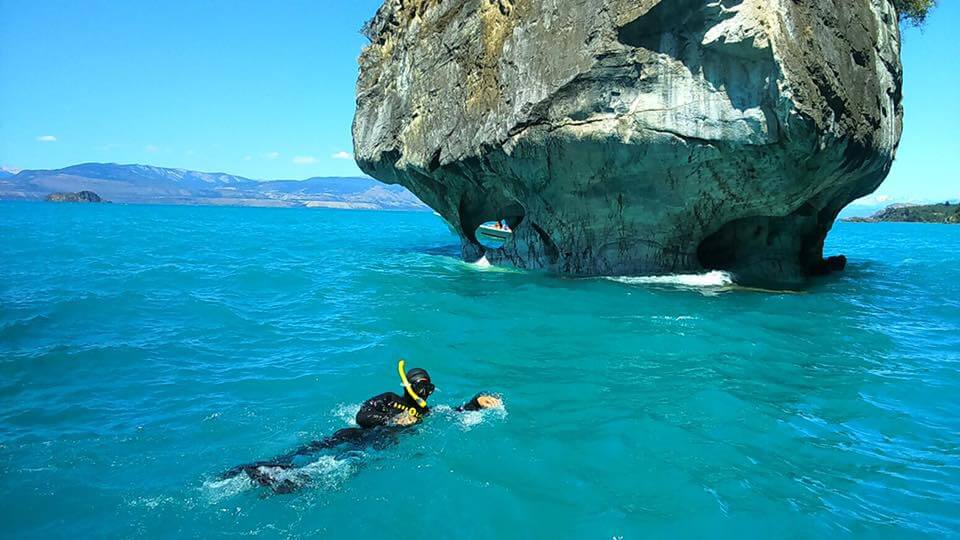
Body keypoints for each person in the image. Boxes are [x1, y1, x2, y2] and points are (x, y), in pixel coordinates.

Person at [222, 361, 502, 493]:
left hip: (374, 446)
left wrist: (475, 402)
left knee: (341, 465)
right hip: (358, 433)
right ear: (408, 386)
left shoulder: (426, 413)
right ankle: (261, 468)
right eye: (420, 386)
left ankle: (290, 480)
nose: (425, 392)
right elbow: (361, 416)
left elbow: (455, 413)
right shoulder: (390, 399)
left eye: (429, 387)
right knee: (314, 449)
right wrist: (391, 420)